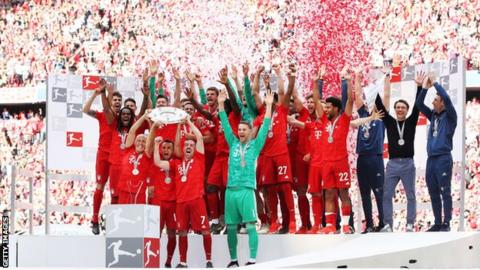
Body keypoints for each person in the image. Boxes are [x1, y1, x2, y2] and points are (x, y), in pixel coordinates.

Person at [220, 84, 274, 267]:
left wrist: (269, 107)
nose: (241, 132)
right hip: (230, 191)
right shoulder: (233, 143)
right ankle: (234, 260)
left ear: (250, 132)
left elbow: (265, 127)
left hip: (246, 190)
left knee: (250, 225)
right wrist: (221, 105)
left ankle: (252, 260)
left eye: (244, 129)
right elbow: (226, 125)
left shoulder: (255, 146)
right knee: (232, 228)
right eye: (240, 129)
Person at [153, 116, 213, 268]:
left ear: (195, 148)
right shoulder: (176, 163)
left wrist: (188, 122)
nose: (188, 146)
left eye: (191, 145)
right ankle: (183, 262)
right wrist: (156, 145)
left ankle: (208, 260)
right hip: (180, 203)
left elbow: (199, 137)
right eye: (186, 144)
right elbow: (158, 162)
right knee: (182, 232)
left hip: (197, 200)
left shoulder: (199, 158)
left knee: (205, 230)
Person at [252, 64, 297, 234]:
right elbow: (255, 92)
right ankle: (273, 221)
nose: (268, 99)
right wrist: (256, 74)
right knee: (269, 189)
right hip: (265, 156)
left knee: (285, 186)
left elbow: (285, 91)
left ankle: (292, 220)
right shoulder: (262, 113)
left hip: (281, 153)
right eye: (266, 97)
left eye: (272, 97)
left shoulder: (283, 110)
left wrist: (279, 73)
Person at [376, 71, 423, 232]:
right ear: (395, 110)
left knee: (411, 196)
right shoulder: (389, 122)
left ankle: (410, 224)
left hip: (408, 164)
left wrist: (419, 86)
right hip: (392, 164)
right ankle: (388, 224)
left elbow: (418, 105)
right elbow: (381, 106)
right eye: (398, 107)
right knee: (387, 195)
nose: (400, 109)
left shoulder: (411, 121)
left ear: (407, 109)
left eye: (403, 107)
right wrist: (376, 88)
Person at [313, 68, 354, 234]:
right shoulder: (323, 120)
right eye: (325, 108)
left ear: (337, 108)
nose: (326, 110)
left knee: (343, 192)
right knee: (328, 193)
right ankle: (330, 225)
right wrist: (316, 82)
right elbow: (316, 101)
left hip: (341, 162)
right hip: (326, 163)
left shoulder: (344, 119)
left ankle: (345, 224)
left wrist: (348, 81)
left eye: (329, 107)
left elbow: (350, 100)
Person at [415, 73, 457, 232]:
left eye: (435, 100)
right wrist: (424, 87)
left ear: (443, 104)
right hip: (431, 159)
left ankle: (447, 222)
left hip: (443, 158)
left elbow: (446, 97)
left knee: (445, 190)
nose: (432, 102)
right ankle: (438, 222)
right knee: (432, 190)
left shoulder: (451, 115)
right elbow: (419, 104)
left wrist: (436, 84)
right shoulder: (433, 115)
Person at [82, 79, 122, 234]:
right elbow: (85, 110)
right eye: (115, 100)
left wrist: (106, 93)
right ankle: (94, 220)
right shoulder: (101, 114)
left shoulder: (122, 118)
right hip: (102, 156)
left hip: (116, 159)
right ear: (111, 101)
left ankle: (113, 223)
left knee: (114, 191)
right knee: (99, 186)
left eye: (119, 100)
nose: (117, 102)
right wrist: (95, 94)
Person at [353, 70, 389, 233]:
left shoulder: (381, 115)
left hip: (375, 158)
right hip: (362, 158)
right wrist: (357, 78)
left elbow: (387, 97)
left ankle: (383, 222)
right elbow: (357, 95)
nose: (369, 102)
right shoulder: (362, 114)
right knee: (365, 193)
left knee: (379, 192)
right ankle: (368, 224)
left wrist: (388, 77)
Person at [147, 121, 178, 268]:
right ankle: (153, 262)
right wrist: (156, 142)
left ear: (172, 150)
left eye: (168, 148)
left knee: (172, 233)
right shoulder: (155, 160)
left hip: (172, 204)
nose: (166, 150)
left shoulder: (177, 163)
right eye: (164, 148)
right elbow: (150, 147)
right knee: (155, 234)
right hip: (158, 203)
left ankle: (168, 261)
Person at [117, 110, 153, 204]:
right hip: (124, 189)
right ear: (134, 142)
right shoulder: (128, 150)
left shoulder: (147, 154)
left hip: (139, 190)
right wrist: (144, 116)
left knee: (137, 217)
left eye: (143, 141)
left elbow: (152, 137)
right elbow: (132, 130)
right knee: (123, 215)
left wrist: (150, 123)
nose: (141, 143)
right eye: (138, 140)